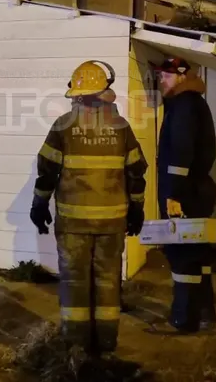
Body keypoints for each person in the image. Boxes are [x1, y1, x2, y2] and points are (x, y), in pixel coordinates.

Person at [31, 60, 148, 356]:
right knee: (108, 281)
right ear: (105, 90)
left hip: (72, 223)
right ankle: (106, 344)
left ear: (78, 95)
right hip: (112, 222)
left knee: (74, 282)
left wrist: (39, 203)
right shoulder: (121, 127)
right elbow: (137, 171)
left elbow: (46, 170)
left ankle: (76, 346)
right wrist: (137, 208)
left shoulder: (62, 126)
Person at [153, 57, 216, 333]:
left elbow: (181, 152)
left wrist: (174, 195)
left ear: (181, 76)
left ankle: (184, 319)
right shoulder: (194, 104)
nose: (161, 81)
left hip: (186, 194)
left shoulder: (184, 105)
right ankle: (204, 315)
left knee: (182, 255)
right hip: (198, 190)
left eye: (166, 76)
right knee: (198, 256)